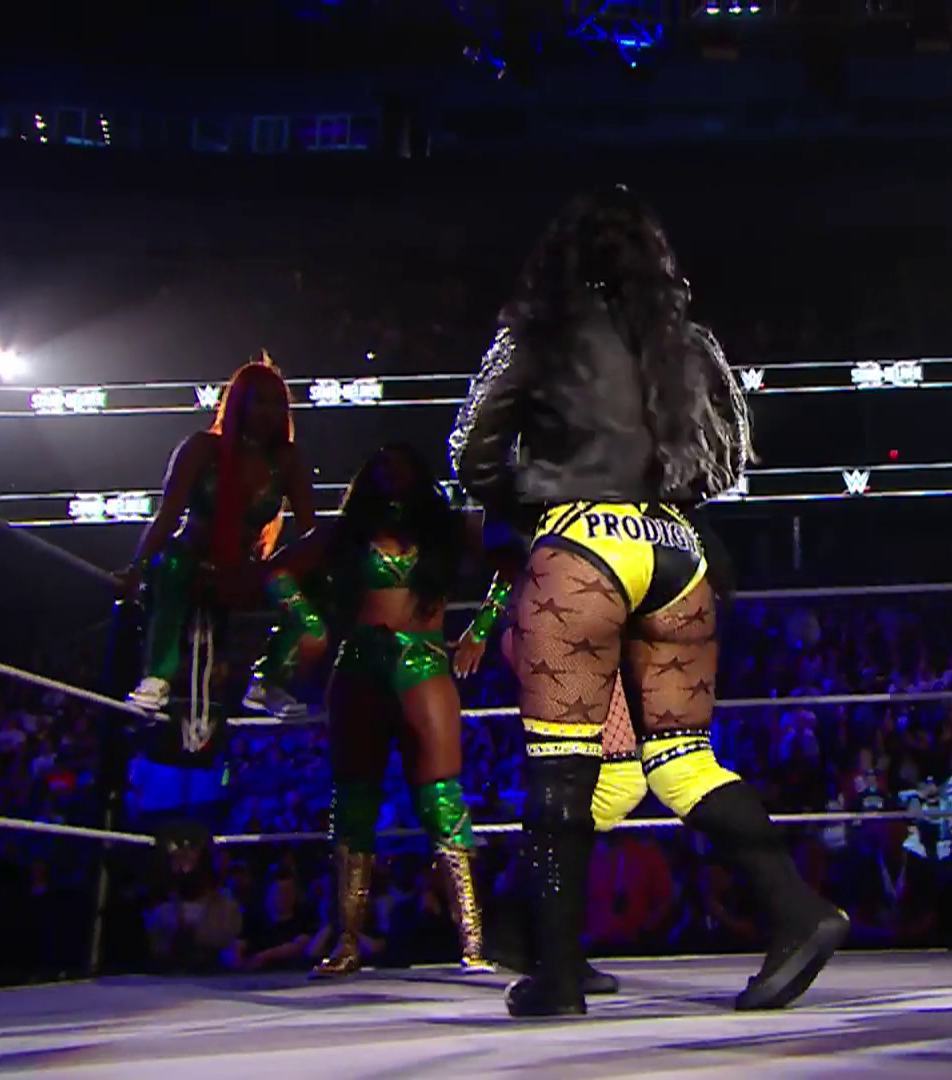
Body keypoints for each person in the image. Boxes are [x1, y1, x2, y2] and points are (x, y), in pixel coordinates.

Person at [450, 184, 847, 1017]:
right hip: (675, 548)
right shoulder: (687, 341)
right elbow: (729, 459)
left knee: (562, 770)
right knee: (682, 760)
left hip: (581, 542)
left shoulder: (538, 333)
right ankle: (797, 912)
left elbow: (472, 451)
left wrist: (536, 504)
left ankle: (557, 976)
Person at [262, 444, 496, 978]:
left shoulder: (448, 528)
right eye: (384, 466)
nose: (393, 475)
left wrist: (482, 628)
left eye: (403, 465)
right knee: (353, 801)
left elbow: (515, 558)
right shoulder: (346, 532)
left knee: (441, 798)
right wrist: (308, 623)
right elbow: (277, 572)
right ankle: (346, 942)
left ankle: (474, 943)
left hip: (423, 662)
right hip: (360, 663)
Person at [119, 356, 318, 718]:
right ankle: (157, 677)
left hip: (245, 569)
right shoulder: (201, 448)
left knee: (305, 601)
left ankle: (269, 681)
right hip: (191, 557)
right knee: (173, 564)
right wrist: (137, 566)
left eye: (276, 403)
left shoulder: (288, 460)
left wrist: (318, 578)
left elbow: (310, 534)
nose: (268, 412)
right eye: (260, 401)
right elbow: (168, 515)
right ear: (240, 403)